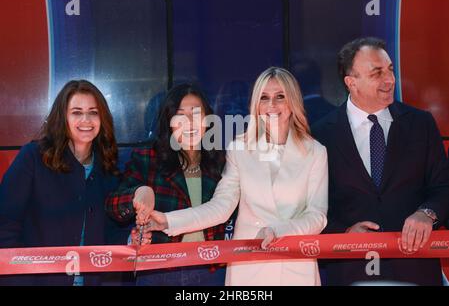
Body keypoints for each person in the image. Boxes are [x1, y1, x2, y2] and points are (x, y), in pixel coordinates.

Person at [146, 67, 329, 286]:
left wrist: (277, 231)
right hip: (249, 269)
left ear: (293, 102)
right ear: (255, 104)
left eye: (280, 97)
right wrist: (168, 220)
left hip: (296, 268)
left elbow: (317, 216)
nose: (271, 105)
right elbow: (221, 207)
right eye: (264, 97)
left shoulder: (315, 152)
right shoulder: (239, 148)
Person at [312, 37, 449, 286]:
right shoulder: (321, 134)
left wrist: (427, 214)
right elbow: (311, 204)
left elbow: (443, 187)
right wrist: (342, 234)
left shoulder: (421, 124)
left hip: (415, 269)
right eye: (377, 73)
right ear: (351, 83)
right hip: (350, 271)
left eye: (390, 70)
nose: (389, 80)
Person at [105, 83, 229, 286]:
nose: (189, 122)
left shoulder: (221, 160)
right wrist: (138, 193)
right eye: (180, 115)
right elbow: (113, 205)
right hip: (159, 271)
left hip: (211, 270)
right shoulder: (148, 158)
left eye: (197, 114)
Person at [0, 80, 121, 285]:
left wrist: (130, 239)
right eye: (76, 112)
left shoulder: (108, 166)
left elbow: (110, 230)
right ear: (62, 118)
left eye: (93, 112)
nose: (86, 120)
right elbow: (5, 224)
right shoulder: (33, 157)